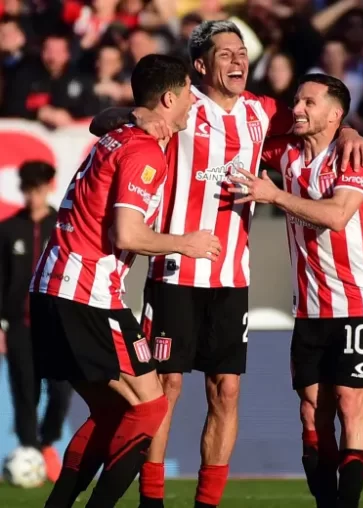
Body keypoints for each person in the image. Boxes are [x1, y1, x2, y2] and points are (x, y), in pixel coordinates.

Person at [87, 20, 363, 508]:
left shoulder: (261, 113)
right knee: (168, 386)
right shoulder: (178, 107)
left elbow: (319, 116)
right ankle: (152, 500)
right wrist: (128, 113)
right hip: (175, 270)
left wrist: (346, 128)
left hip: (230, 276)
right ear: (200, 65)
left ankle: (206, 504)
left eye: (242, 53)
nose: (239, 61)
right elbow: (101, 124)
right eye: (225, 54)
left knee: (226, 393)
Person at [31, 53, 221, 508]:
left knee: (114, 409)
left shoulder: (119, 133)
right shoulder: (143, 150)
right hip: (86, 291)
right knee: (151, 406)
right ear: (170, 98)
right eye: (189, 98)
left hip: (56, 286)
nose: (195, 106)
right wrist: (185, 243)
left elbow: (104, 120)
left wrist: (134, 113)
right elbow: (128, 234)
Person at [229, 73, 363, 508]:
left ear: (335, 114)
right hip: (309, 306)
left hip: (358, 300)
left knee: (350, 404)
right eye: (297, 101)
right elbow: (235, 121)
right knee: (310, 412)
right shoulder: (286, 154)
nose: (297, 109)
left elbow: (337, 216)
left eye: (309, 103)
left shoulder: (354, 156)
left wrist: (275, 196)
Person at [0, 161, 73, 483]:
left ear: (49, 187)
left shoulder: (64, 226)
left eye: (39, 189)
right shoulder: (7, 230)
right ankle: (30, 454)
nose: (34, 196)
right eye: (29, 190)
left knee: (61, 390)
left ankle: (45, 444)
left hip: (56, 324)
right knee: (24, 393)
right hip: (18, 326)